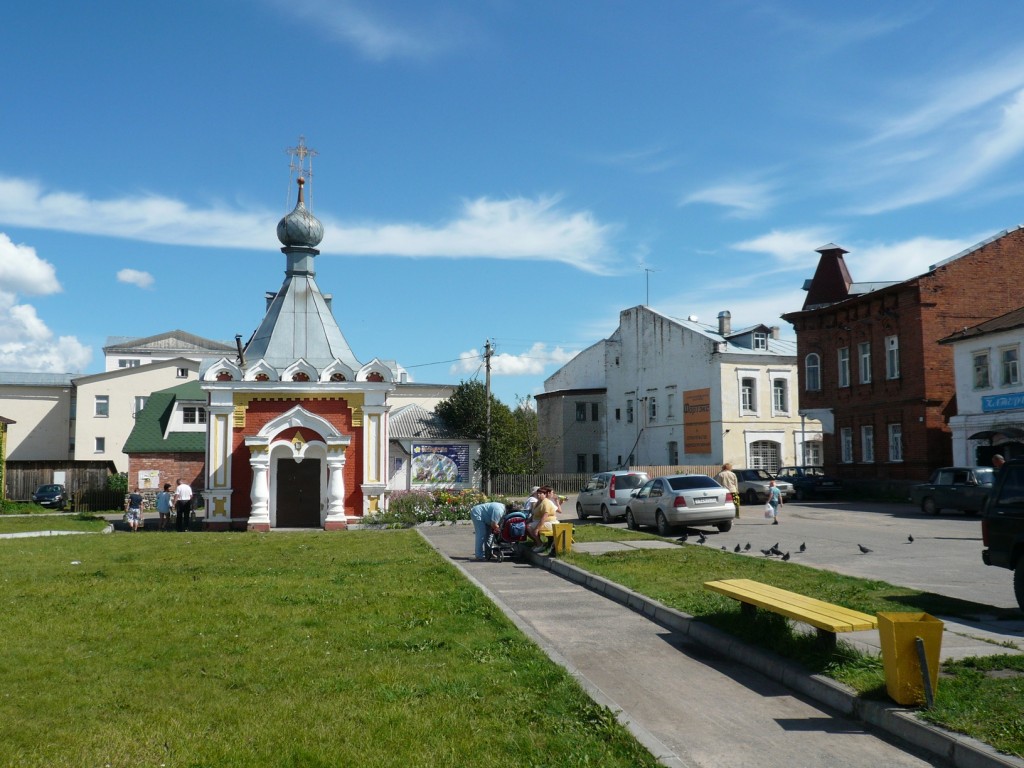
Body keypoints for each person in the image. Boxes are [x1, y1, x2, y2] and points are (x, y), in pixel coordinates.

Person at [528, 486, 559, 552]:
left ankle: (540, 544)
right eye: (538, 493)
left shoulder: (546, 502)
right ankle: (537, 543)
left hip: (550, 523)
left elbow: (544, 517)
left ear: (545, 495)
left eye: (540, 493)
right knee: (527, 526)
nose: (538, 495)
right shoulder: (538, 502)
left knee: (529, 527)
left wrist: (537, 528)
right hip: (541, 522)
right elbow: (533, 514)